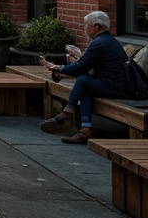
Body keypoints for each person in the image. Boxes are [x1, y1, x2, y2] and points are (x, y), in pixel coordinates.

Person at [37, 10, 128, 144]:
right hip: (114, 83)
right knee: (84, 86)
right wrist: (77, 59)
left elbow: (79, 69)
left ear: (97, 27)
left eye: (87, 26)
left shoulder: (99, 43)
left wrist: (56, 67)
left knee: (83, 81)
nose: (85, 29)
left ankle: (67, 112)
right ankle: (85, 129)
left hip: (117, 86)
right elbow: (85, 66)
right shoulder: (106, 40)